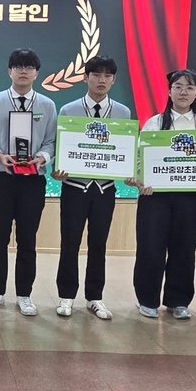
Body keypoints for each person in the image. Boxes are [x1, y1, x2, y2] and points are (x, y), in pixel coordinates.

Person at [0, 48, 57, 316]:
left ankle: (25, 294)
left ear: (37, 73)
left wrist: (42, 157)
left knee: (27, 238)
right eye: (18, 66)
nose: (23, 71)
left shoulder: (47, 105)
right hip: (1, 177)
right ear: (9, 71)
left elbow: (51, 142)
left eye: (29, 67)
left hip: (33, 180)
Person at [129, 69, 196, 320]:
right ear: (169, 91)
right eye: (178, 87)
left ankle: (178, 301)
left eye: (189, 87)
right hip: (154, 197)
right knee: (150, 248)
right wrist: (140, 180)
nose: (183, 92)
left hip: (190, 197)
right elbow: (139, 158)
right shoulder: (155, 123)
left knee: (184, 249)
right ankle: (147, 300)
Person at [51, 55, 131, 320]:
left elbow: (123, 150)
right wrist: (57, 169)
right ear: (86, 78)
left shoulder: (123, 113)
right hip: (74, 187)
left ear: (114, 80)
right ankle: (66, 296)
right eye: (96, 74)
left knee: (99, 244)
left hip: (105, 189)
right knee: (70, 242)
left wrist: (128, 172)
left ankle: (95, 297)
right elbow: (59, 148)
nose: (101, 80)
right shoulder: (68, 110)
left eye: (107, 75)